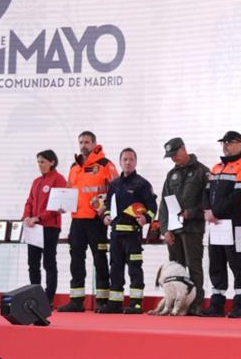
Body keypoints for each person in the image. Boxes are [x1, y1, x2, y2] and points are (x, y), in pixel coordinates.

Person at [58, 131, 118, 313]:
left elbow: (116, 191)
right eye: (81, 142)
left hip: (96, 220)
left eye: (87, 142)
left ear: (94, 144)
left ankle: (102, 300)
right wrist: (62, 205)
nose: (83, 145)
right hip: (76, 221)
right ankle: (76, 301)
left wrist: (106, 211)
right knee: (76, 261)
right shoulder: (74, 167)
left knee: (100, 260)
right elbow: (69, 191)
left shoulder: (105, 165)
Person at [200, 131, 241, 318]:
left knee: (237, 263)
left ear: (240, 143)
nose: (225, 145)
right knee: (216, 262)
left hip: (235, 223)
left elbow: (239, 196)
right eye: (223, 142)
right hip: (216, 225)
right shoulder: (216, 168)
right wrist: (207, 210)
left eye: (229, 142)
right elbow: (206, 192)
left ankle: (239, 305)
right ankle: (217, 304)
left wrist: (216, 212)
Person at [101, 148, 157, 314]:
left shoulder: (142, 184)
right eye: (125, 159)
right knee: (115, 269)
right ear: (120, 162)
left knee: (134, 268)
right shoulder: (114, 184)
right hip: (116, 235)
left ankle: (136, 303)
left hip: (133, 235)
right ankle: (115, 303)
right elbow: (107, 207)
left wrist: (146, 218)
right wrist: (105, 216)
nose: (128, 162)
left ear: (136, 162)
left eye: (131, 159)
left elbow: (153, 206)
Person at [156, 137, 207, 315]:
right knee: (176, 269)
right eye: (170, 156)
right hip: (174, 229)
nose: (173, 158)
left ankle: (195, 304)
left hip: (193, 229)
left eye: (175, 154)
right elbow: (163, 204)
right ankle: (175, 304)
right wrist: (164, 230)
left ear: (184, 149)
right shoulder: (171, 175)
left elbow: (207, 203)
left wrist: (191, 213)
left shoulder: (202, 172)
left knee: (193, 266)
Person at [21, 149, 67, 307]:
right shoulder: (36, 181)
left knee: (49, 262)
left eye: (43, 162)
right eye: (38, 162)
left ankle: (49, 298)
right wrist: (26, 217)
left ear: (52, 162)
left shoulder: (58, 179)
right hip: (33, 227)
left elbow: (57, 206)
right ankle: (35, 295)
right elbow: (30, 201)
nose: (40, 165)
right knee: (33, 263)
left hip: (49, 227)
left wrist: (39, 218)